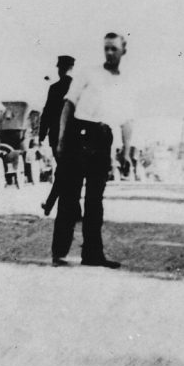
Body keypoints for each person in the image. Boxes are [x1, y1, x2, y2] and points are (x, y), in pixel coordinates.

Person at [51, 33, 133, 268]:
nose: (109, 53)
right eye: (106, 48)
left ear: (123, 51)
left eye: (114, 49)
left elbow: (127, 121)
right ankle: (60, 254)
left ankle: (92, 255)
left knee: (95, 200)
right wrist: (61, 139)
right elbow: (69, 105)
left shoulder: (125, 83)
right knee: (69, 196)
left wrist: (126, 151)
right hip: (79, 134)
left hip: (103, 138)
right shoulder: (88, 73)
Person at [40, 55, 75, 215]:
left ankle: (50, 204)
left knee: (63, 171)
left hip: (55, 136)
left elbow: (47, 112)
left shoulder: (54, 88)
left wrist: (41, 134)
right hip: (74, 136)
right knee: (67, 172)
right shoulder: (77, 87)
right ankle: (70, 209)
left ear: (61, 69)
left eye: (59, 68)